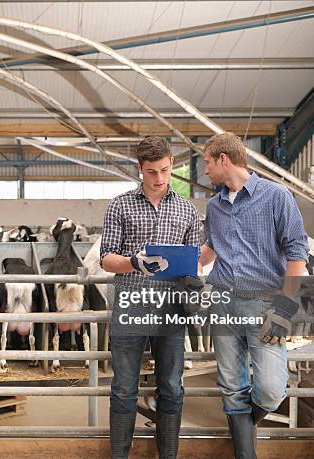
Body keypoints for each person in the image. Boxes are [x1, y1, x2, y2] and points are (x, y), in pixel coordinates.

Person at [198, 132, 309, 459]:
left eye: (206, 162)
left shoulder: (276, 196)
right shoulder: (214, 206)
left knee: (272, 391)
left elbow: (297, 253)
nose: (205, 170)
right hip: (222, 302)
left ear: (223, 159)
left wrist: (285, 308)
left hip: (264, 305)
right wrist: (170, 261)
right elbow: (209, 251)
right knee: (232, 386)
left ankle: (242, 429)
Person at [100, 136, 201, 459]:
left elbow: (193, 260)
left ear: (173, 164)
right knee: (124, 387)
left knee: (171, 386)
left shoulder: (187, 209)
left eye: (165, 170)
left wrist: (194, 282)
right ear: (139, 169)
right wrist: (133, 263)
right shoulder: (120, 205)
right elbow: (106, 258)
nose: (159, 179)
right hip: (131, 304)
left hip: (171, 309)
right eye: (151, 172)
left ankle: (167, 456)